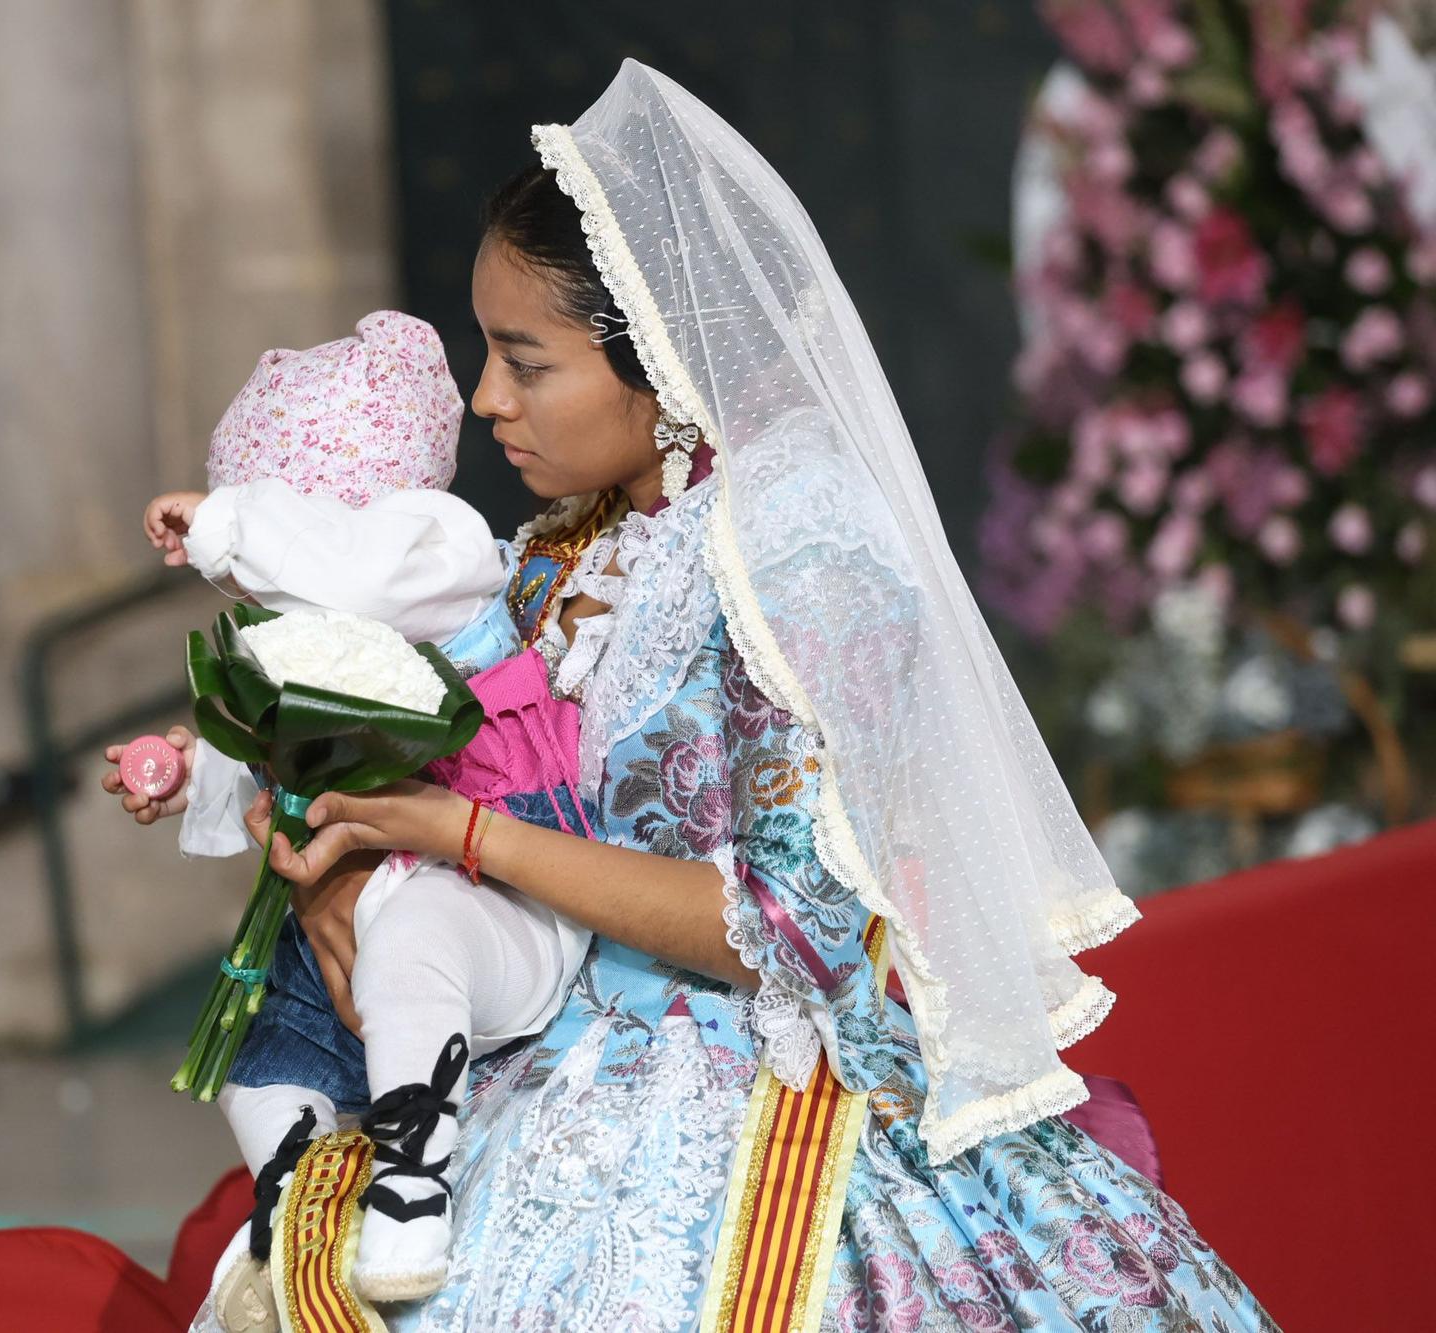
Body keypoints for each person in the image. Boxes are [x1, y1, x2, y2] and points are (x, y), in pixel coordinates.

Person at [148, 61, 1278, 1331]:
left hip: (748, 1070)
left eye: (526, 360)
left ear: (663, 357)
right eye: (482, 352)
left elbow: (796, 932)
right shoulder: (553, 553)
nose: (485, 399)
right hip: (539, 1029)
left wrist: (459, 836)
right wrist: (341, 841)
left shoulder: (799, 546)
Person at [117, 310, 599, 1314]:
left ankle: (411, 1174)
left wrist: (227, 522)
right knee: (256, 1055)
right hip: (345, 912)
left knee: (413, 940)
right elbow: (265, 760)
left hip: (492, 895)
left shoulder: (436, 547)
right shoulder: (317, 628)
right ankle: (295, 1184)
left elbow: (352, 565)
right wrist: (183, 772)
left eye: (276, 545)